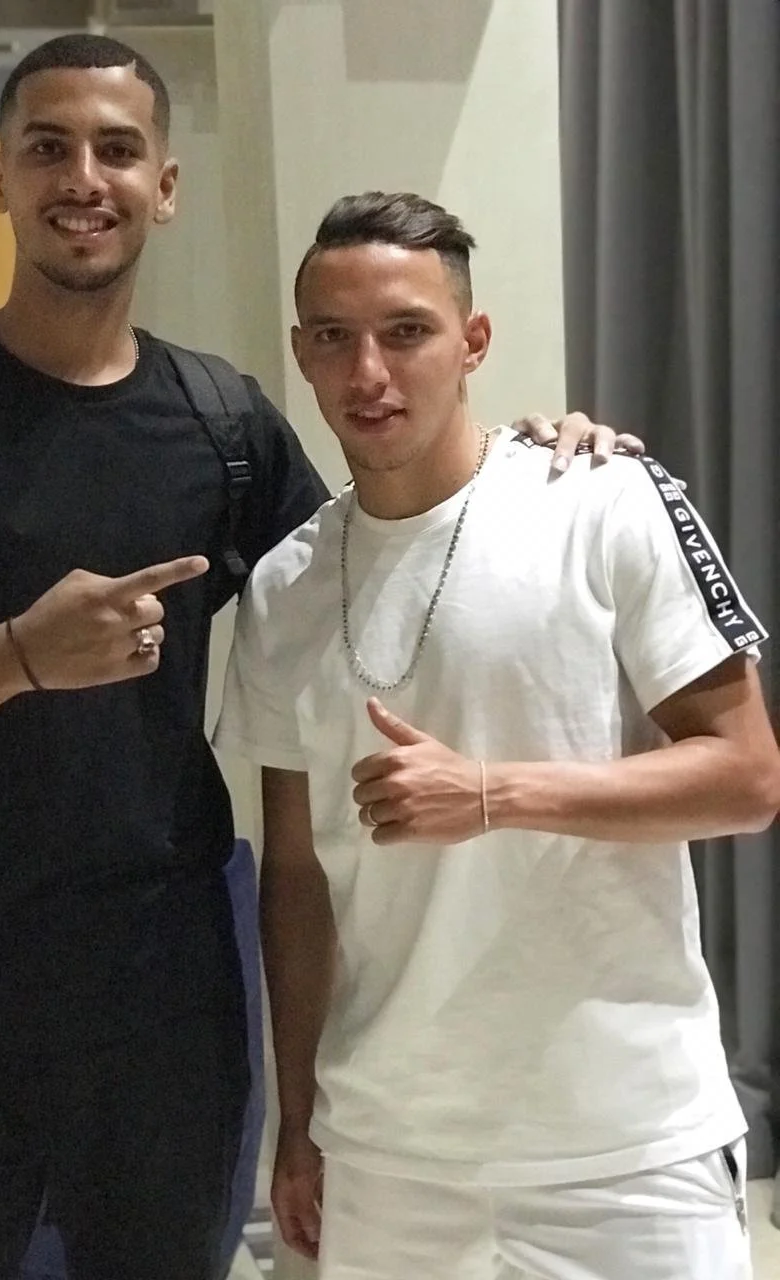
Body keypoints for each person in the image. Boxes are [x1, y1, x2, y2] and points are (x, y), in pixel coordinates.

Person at [0, 34, 628, 1280]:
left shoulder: (222, 426)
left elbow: (382, 561)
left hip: (162, 1001)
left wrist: (540, 452)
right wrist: (16, 653)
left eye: (117, 149)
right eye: (47, 146)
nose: (82, 176)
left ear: (164, 184)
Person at [214, 191, 780, 1280]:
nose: (368, 372)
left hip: (621, 1145)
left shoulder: (601, 498)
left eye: (406, 331)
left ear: (472, 341)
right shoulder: (283, 587)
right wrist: (299, 1119)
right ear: (301, 353)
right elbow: (294, 877)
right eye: (334, 338)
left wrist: (493, 792)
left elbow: (747, 776)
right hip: (388, 1158)